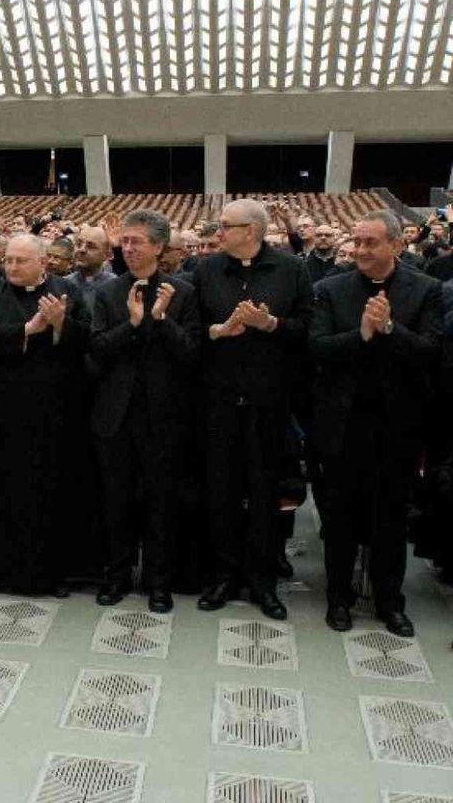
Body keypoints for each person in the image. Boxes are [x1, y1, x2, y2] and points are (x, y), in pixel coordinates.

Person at [310, 210, 441, 636]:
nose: (361, 250)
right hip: (344, 424)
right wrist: (362, 335)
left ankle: (389, 602)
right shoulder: (330, 289)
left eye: (371, 242)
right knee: (340, 519)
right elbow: (318, 348)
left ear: (397, 245)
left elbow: (430, 351)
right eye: (358, 241)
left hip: (397, 426)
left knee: (391, 519)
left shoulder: (426, 289)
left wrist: (388, 328)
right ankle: (338, 598)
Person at [191, 198, 313, 621]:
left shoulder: (291, 270)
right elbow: (191, 329)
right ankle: (223, 575)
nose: (218, 231)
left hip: (269, 402)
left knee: (264, 493)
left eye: (227, 225)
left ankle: (263, 581)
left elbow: (307, 330)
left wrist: (271, 325)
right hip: (218, 401)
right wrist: (219, 330)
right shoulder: (206, 269)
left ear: (252, 231)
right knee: (221, 491)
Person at [88, 210, 201, 612]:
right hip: (115, 415)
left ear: (158, 246)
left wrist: (161, 320)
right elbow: (97, 351)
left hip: (164, 416)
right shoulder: (108, 292)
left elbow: (192, 354)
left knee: (160, 504)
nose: (128, 248)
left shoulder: (183, 292)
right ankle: (117, 576)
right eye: (125, 241)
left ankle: (159, 583)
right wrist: (133, 326)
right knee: (116, 501)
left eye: (137, 241)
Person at [0, 234, 91, 596]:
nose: (12, 267)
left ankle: (48, 574)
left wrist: (60, 324)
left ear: (43, 262)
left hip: (52, 411)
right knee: (0, 489)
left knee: (48, 491)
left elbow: (88, 341)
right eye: (8, 260)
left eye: (21, 261)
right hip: (1, 411)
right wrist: (27, 329)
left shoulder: (67, 291)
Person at [69, 224, 115, 291]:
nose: (82, 249)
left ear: (107, 255)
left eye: (90, 247)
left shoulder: (116, 285)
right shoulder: (63, 284)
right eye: (78, 244)